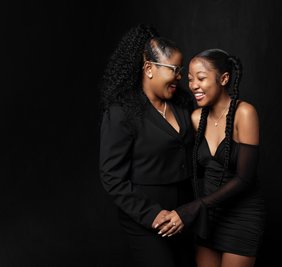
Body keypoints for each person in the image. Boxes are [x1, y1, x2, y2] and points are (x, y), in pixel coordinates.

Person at [154, 49, 266, 267]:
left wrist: (193, 208)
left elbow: (245, 179)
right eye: (190, 79)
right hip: (208, 217)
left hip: (241, 216)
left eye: (201, 78)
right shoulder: (196, 118)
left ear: (223, 79)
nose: (194, 85)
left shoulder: (245, 113)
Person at [99, 24, 196, 267]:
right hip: (147, 220)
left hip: (185, 216)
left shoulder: (183, 104)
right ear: (149, 69)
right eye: (174, 70)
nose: (180, 77)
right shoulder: (122, 113)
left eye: (180, 70)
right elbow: (112, 176)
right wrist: (152, 215)